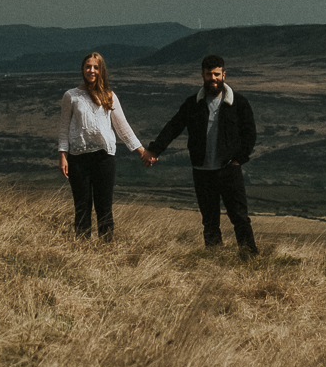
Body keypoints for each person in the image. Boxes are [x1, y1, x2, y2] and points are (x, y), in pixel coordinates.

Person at [146, 52, 258, 255]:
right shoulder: (193, 104)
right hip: (202, 170)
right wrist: (155, 149)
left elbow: (250, 133)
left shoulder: (238, 103)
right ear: (202, 75)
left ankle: (250, 258)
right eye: (209, 74)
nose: (213, 79)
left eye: (217, 74)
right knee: (209, 220)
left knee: (240, 217)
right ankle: (214, 258)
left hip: (228, 169)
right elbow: (174, 126)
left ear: (224, 75)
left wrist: (239, 159)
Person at [58, 50, 149, 243]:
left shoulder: (109, 95)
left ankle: (107, 248)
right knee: (82, 205)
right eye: (88, 67)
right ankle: (82, 246)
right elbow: (64, 127)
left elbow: (122, 126)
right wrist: (63, 155)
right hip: (78, 157)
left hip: (104, 158)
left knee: (104, 206)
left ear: (101, 71)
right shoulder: (71, 96)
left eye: (95, 67)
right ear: (82, 69)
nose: (91, 70)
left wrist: (141, 151)